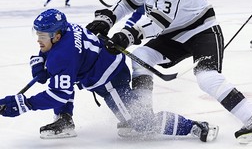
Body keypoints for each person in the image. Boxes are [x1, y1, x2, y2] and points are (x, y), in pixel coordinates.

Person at [86, 0, 252, 144]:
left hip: (202, 32)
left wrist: (126, 35)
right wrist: (108, 19)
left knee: (206, 78)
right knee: (140, 58)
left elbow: (156, 23)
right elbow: (129, 1)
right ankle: (143, 116)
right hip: (174, 34)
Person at [0, 9, 218, 142]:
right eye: (37, 34)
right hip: (109, 64)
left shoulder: (62, 56)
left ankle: (194, 126)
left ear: (56, 36)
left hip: (109, 80)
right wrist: (41, 59)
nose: (39, 39)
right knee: (64, 78)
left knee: (141, 123)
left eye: (42, 36)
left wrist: (24, 103)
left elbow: (58, 94)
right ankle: (65, 120)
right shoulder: (66, 30)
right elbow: (56, 60)